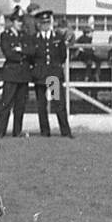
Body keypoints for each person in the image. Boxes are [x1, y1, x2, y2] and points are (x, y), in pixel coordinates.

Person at [29, 8, 73, 138]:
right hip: (40, 75)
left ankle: (65, 132)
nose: (45, 26)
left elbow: (62, 56)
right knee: (41, 105)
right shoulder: (34, 39)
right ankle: (45, 132)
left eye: (47, 23)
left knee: (59, 104)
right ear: (39, 24)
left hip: (53, 75)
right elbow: (32, 56)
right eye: (43, 23)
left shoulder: (57, 38)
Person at [0, 7, 31, 139]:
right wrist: (23, 53)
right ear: (13, 22)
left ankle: (17, 131)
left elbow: (31, 51)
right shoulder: (5, 35)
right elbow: (9, 53)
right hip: (11, 74)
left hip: (23, 75)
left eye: (21, 21)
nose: (20, 24)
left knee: (20, 106)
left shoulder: (25, 36)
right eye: (17, 21)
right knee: (6, 104)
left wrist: (20, 50)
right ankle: (1, 132)